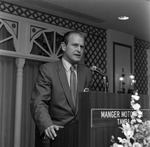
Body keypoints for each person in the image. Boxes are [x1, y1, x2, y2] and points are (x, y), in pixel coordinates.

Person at [30, 31, 93, 147]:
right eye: (75, 45)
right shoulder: (47, 70)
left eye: (82, 47)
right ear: (64, 46)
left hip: (80, 137)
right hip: (54, 135)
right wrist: (47, 125)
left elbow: (87, 104)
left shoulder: (87, 73)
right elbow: (38, 102)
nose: (79, 50)